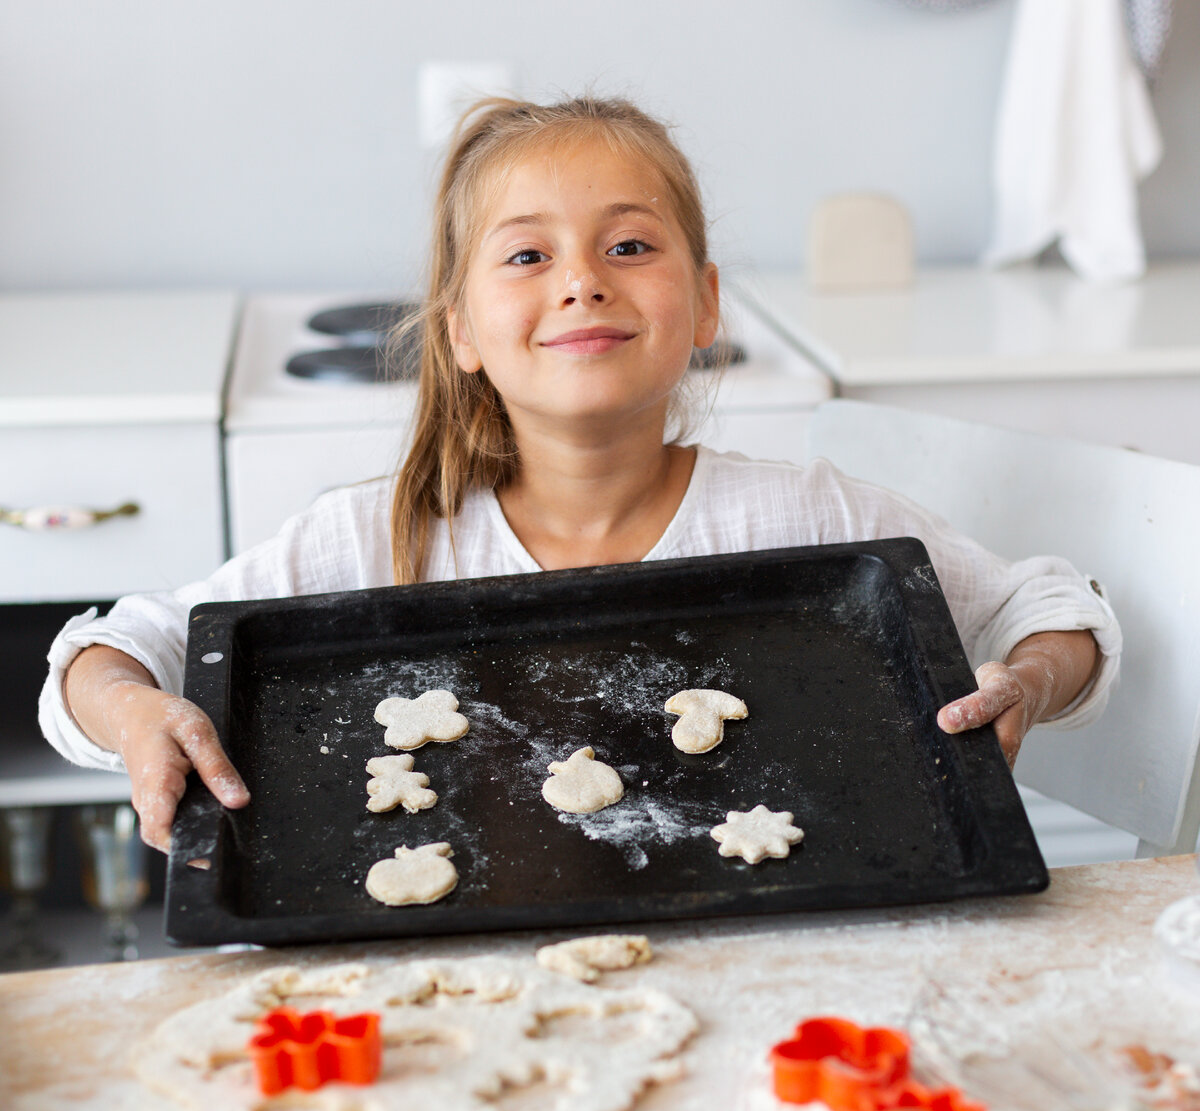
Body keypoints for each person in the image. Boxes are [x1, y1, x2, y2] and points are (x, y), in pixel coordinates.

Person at [40, 96, 1120, 853]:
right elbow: (110, 650)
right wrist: (135, 713)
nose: (582, 284)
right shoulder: (373, 541)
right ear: (460, 329)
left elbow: (1052, 607)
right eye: (527, 255)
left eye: (630, 248)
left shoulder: (808, 518)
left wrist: (1028, 680)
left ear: (703, 307)